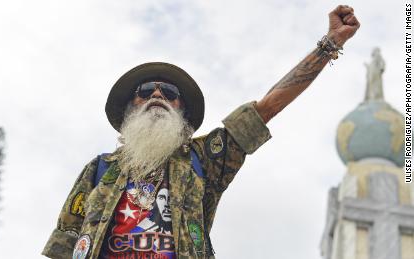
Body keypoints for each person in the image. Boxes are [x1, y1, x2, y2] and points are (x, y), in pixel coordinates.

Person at [42, 5, 360, 259]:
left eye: (168, 92)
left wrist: (329, 45)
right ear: (129, 109)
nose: (157, 95)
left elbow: (266, 109)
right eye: (146, 90)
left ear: (182, 113)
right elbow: (63, 247)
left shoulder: (205, 160)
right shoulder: (99, 170)